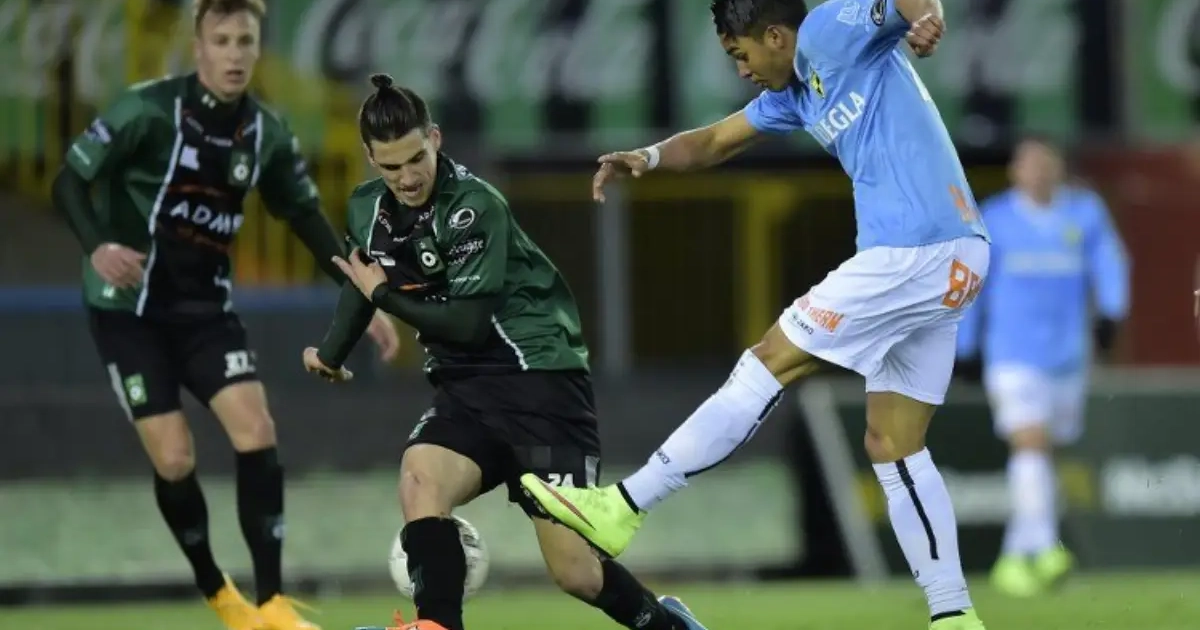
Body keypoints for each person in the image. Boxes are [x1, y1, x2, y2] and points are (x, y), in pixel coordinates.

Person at [519, 1, 990, 629]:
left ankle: (624, 506)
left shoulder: (828, 29)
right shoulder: (795, 93)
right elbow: (714, 141)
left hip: (913, 250)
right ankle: (954, 615)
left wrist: (928, 17)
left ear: (774, 35)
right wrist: (647, 157)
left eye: (740, 54)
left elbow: (907, 3)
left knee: (769, 361)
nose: (741, 70)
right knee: (894, 444)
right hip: (956, 256)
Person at [302, 74, 707, 630]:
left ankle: (670, 626)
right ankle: (437, 625)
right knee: (420, 478)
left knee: (576, 573)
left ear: (435, 139)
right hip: (466, 388)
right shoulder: (366, 208)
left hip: (540, 381)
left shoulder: (474, 206)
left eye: (416, 158)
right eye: (391, 166)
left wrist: (385, 298)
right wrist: (331, 354)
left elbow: (466, 323)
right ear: (371, 159)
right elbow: (361, 278)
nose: (408, 177)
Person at [50, 2, 400, 629]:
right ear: (198, 47)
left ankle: (272, 603)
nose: (235, 54)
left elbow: (304, 218)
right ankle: (219, 593)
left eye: (246, 41)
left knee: (256, 429)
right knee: (175, 460)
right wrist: (98, 246)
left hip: (206, 312)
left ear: (258, 49)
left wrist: (361, 290)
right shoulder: (146, 110)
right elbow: (69, 183)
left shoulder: (265, 133)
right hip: (129, 312)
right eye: (223, 40)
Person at [955, 136, 1130, 596]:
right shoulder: (995, 218)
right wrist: (966, 345)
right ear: (1015, 171)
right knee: (1030, 441)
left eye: (1045, 163)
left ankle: (1016, 557)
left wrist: (1111, 313)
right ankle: (1048, 548)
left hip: (1068, 355)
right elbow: (975, 282)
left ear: (1059, 168)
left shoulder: (1085, 213)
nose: (1038, 172)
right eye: (1029, 164)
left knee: (1041, 451)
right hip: (1012, 353)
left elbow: (1109, 261)